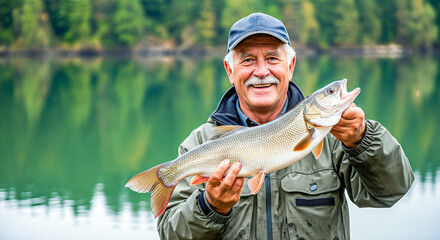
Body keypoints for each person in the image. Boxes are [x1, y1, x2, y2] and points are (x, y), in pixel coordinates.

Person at [157, 13, 414, 239]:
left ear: (290, 66)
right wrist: (210, 206)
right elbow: (171, 234)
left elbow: (392, 191)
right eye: (247, 60)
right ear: (230, 70)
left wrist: (363, 139)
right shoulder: (202, 141)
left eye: (272, 58)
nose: (261, 71)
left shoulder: (338, 136)